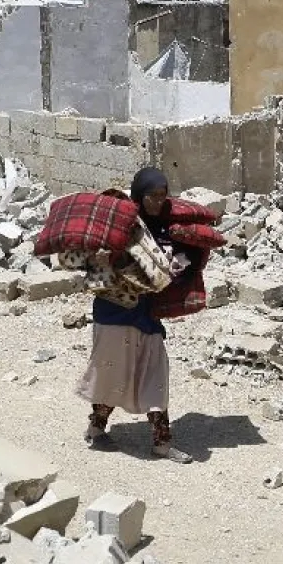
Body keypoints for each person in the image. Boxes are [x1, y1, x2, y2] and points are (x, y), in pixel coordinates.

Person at [75, 167, 205, 463]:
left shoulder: (164, 229)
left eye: (163, 196)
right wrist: (111, 258)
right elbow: (87, 259)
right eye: (153, 196)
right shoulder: (119, 224)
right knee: (111, 374)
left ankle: (162, 442)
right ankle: (96, 427)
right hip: (114, 313)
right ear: (139, 195)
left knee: (155, 375)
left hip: (147, 314)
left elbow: (169, 267)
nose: (159, 202)